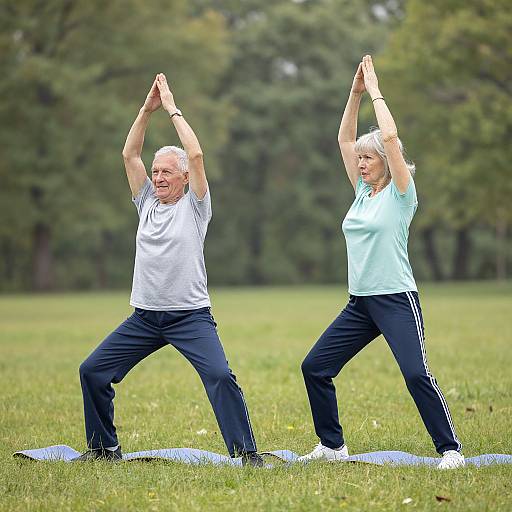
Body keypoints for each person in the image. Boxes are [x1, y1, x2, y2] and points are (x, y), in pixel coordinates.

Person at [75, 73, 262, 466]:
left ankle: (247, 455)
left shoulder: (195, 207)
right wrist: (146, 111)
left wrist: (173, 108)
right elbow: (129, 156)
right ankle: (104, 449)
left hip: (189, 318)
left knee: (220, 378)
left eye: (166, 172)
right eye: (155, 171)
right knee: (92, 371)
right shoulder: (146, 202)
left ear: (184, 178)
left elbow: (196, 156)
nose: (157, 177)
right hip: (144, 318)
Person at [299, 56, 464, 469]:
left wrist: (375, 91)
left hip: (395, 300)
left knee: (415, 374)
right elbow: (343, 140)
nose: (359, 163)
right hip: (361, 304)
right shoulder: (361, 192)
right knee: (315, 367)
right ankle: (333, 446)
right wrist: (353, 94)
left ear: (386, 163)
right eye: (359, 160)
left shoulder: (400, 194)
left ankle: (450, 451)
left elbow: (389, 137)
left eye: (367, 160)